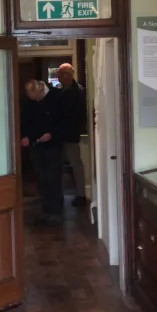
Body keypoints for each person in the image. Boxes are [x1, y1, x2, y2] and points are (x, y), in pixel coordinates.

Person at [21, 79, 64, 223]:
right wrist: (26, 136)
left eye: (31, 94)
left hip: (52, 146)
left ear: (38, 90)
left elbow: (63, 121)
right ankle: (46, 210)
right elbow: (26, 120)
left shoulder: (56, 98)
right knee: (41, 179)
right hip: (36, 145)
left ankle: (56, 212)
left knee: (53, 178)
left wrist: (52, 134)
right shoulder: (30, 102)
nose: (30, 97)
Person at [55, 63, 88, 206]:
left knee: (76, 164)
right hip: (60, 135)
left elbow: (79, 115)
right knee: (59, 165)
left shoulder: (78, 92)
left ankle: (81, 195)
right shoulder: (60, 90)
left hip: (71, 134)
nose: (57, 76)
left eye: (60, 74)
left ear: (68, 75)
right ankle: (58, 195)